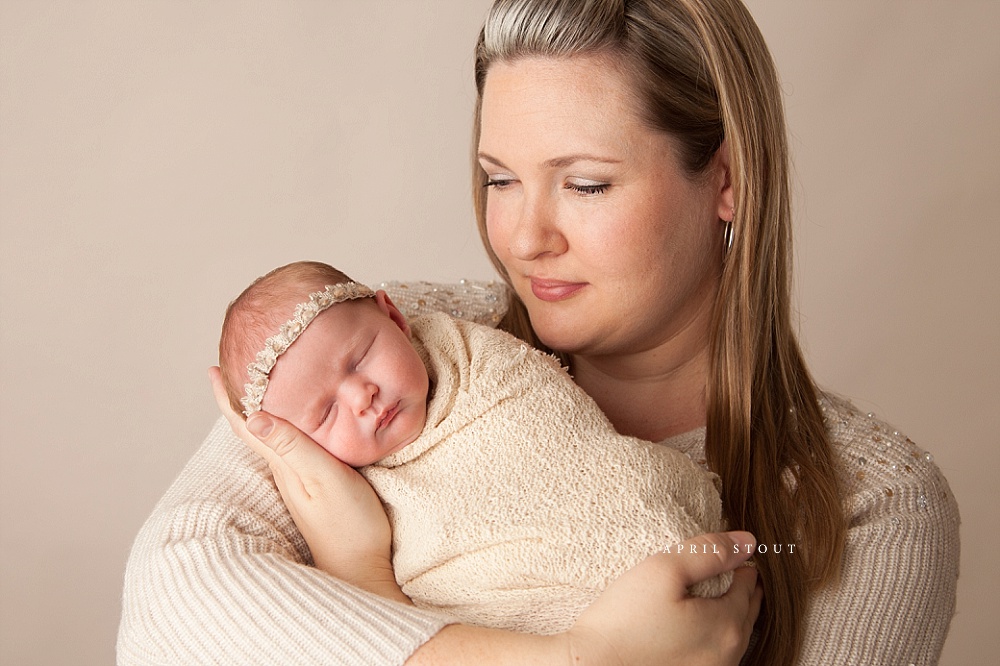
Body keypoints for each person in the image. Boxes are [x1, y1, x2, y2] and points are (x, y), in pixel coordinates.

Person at [119, 0, 959, 664]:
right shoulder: (383, 344)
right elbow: (170, 607)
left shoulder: (872, 504)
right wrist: (577, 659)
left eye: (586, 184)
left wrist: (363, 600)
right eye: (499, 180)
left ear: (727, 182)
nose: (523, 239)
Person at [216, 260, 729, 634]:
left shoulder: (472, 356)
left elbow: (568, 448)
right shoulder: (337, 491)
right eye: (325, 413)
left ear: (393, 318)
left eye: (361, 358)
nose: (362, 396)